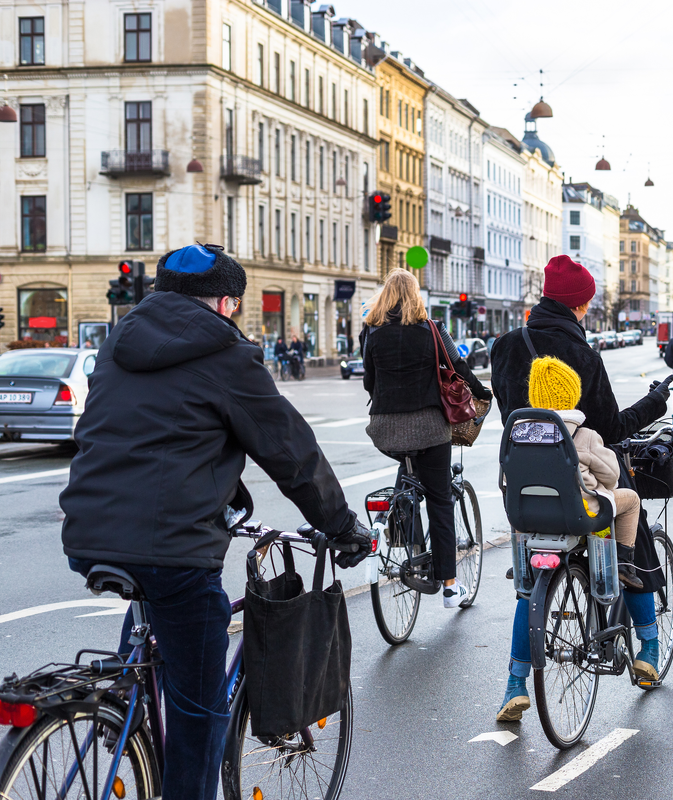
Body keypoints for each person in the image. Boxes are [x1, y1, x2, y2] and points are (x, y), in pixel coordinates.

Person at [59, 243, 371, 800]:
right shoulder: (228, 353)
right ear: (226, 302)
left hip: (87, 533)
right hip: (172, 550)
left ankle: (123, 716)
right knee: (199, 711)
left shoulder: (117, 342)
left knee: (153, 620)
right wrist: (343, 525)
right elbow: (290, 451)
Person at [490, 255, 668, 722]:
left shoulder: (505, 347)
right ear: (580, 304)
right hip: (580, 483)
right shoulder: (584, 357)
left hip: (524, 491)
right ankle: (648, 646)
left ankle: (514, 683)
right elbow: (610, 429)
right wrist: (654, 403)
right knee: (634, 530)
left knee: (530, 586)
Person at [361, 268, 492, 607]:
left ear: (386, 296)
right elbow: (459, 367)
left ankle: (407, 532)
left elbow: (368, 383)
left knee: (407, 473)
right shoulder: (433, 330)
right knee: (439, 499)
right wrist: (482, 393)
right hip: (430, 428)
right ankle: (449, 585)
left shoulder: (372, 332)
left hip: (385, 429)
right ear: (416, 296)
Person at [525, 355, 643, 589]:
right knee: (631, 500)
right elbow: (612, 476)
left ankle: (524, 562)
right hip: (577, 513)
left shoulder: (518, 433)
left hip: (529, 515)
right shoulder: (584, 435)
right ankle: (623, 563)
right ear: (572, 395)